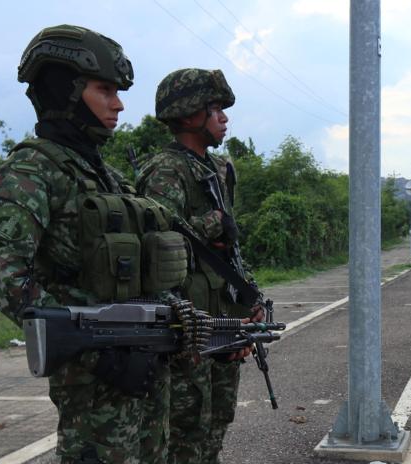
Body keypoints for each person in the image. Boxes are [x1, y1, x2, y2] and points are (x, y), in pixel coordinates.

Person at [0, 25, 174, 464]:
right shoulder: (31, 171)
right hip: (94, 389)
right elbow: (8, 282)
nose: (119, 103)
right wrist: (98, 353)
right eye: (104, 90)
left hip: (142, 373)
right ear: (66, 91)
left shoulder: (107, 176)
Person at [136, 68, 263, 464]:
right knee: (186, 428)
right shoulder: (166, 171)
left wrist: (250, 294)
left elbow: (228, 251)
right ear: (190, 115)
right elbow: (159, 244)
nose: (224, 118)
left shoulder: (217, 170)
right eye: (215, 109)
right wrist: (211, 225)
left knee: (217, 422)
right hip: (188, 325)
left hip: (223, 316)